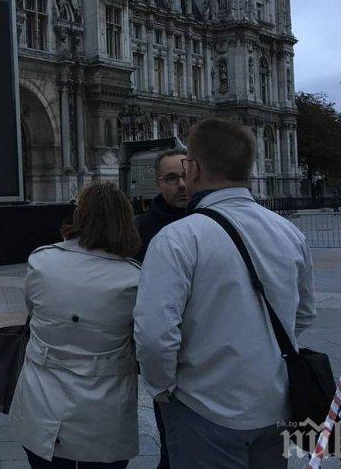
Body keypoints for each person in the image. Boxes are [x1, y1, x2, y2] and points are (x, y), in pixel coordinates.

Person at [134, 118, 316, 469]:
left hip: (204, 408)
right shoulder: (289, 232)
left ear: (194, 168)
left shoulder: (178, 238)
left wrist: (164, 388)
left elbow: (155, 334)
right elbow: (305, 313)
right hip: (276, 405)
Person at [10, 182, 142, 469]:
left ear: (79, 215)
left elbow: (33, 312)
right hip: (104, 405)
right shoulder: (133, 278)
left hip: (42, 398)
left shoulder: (42, 261)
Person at [133, 148, 188, 469]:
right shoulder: (141, 229)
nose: (181, 185)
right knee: (172, 444)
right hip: (166, 355)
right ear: (158, 183)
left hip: (210, 357)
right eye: (171, 178)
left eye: (185, 176)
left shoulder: (212, 221)